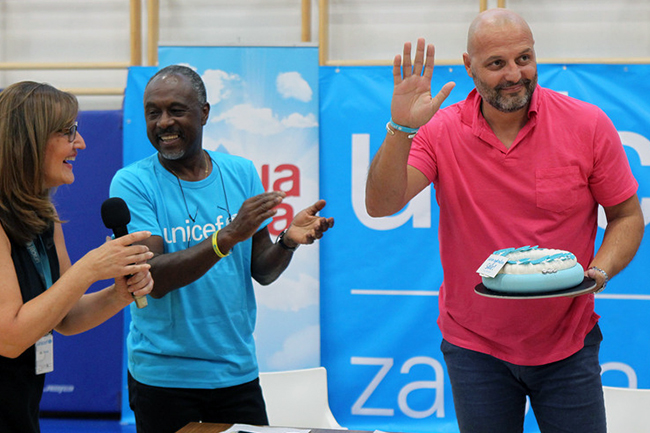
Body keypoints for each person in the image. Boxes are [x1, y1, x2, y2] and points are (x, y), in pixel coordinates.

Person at [365, 9, 644, 433]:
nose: (514, 74)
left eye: (524, 58)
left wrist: (598, 272)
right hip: (474, 349)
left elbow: (626, 215)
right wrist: (401, 127)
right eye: (497, 63)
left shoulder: (587, 124)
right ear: (469, 66)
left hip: (568, 344)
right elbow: (382, 205)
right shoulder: (440, 131)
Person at [109, 65, 334, 433]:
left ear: (204, 113)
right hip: (164, 378)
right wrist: (225, 237)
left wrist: (288, 241)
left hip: (236, 373)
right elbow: (154, 280)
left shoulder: (241, 172)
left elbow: (261, 270)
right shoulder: (132, 182)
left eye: (176, 110)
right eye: (153, 112)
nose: (163, 122)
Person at [0, 81, 154, 433]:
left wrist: (118, 294)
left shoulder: (43, 216)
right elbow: (9, 338)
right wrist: (89, 268)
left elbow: (65, 317)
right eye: (68, 131)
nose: (80, 142)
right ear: (29, 140)